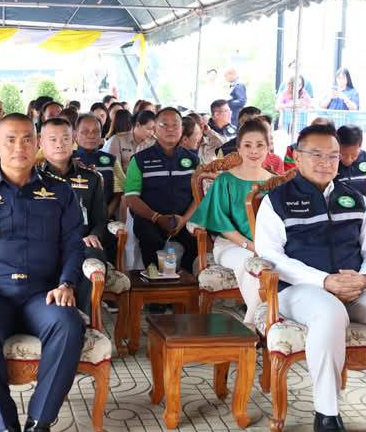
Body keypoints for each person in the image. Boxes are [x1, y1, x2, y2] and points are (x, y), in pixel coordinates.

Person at [255, 123, 366, 432]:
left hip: (354, 287)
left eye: (333, 155)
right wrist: (323, 281)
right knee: (329, 311)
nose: (326, 162)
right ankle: (328, 416)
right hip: (300, 291)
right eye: (316, 154)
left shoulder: (354, 198)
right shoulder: (276, 201)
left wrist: (365, 277)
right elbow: (271, 256)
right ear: (297, 157)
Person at [0, 113, 85, 432]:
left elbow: (73, 246)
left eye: (27, 139)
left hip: (43, 294)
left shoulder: (60, 192)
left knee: (69, 324)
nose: (19, 147)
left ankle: (39, 423)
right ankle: (5, 428)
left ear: (37, 143)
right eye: (10, 140)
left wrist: (67, 283)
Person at [190, 118, 273, 322]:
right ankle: (256, 324)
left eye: (260, 145)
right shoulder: (225, 180)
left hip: (269, 246)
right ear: (238, 148)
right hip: (232, 245)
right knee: (251, 264)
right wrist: (250, 246)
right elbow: (221, 223)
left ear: (268, 147)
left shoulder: (275, 181)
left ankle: (267, 322)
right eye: (248, 145)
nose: (254, 151)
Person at [39, 117, 107, 316]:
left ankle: (83, 317)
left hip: (80, 241)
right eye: (53, 139)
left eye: (65, 138)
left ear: (74, 140)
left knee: (94, 254)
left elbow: (100, 219)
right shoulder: (31, 177)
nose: (59, 144)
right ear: (41, 142)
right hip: (43, 243)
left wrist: (94, 235)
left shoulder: (91, 178)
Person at [125, 108, 199, 273]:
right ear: (154, 129)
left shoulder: (194, 160)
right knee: (149, 237)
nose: (170, 129)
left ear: (182, 129)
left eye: (175, 124)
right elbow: (131, 198)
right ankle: (153, 281)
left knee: (195, 238)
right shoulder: (139, 160)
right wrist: (157, 217)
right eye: (164, 125)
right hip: (150, 219)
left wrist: (184, 220)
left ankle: (186, 282)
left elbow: (199, 196)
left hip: (184, 218)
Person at [73, 113, 124, 220]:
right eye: (85, 132)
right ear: (75, 134)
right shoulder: (67, 159)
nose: (91, 135)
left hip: (105, 218)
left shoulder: (111, 160)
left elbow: (119, 192)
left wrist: (105, 216)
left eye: (96, 131)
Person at [335, 125, 366, 196]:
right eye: (343, 154)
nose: (348, 160)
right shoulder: (330, 163)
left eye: (353, 155)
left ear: (360, 146)